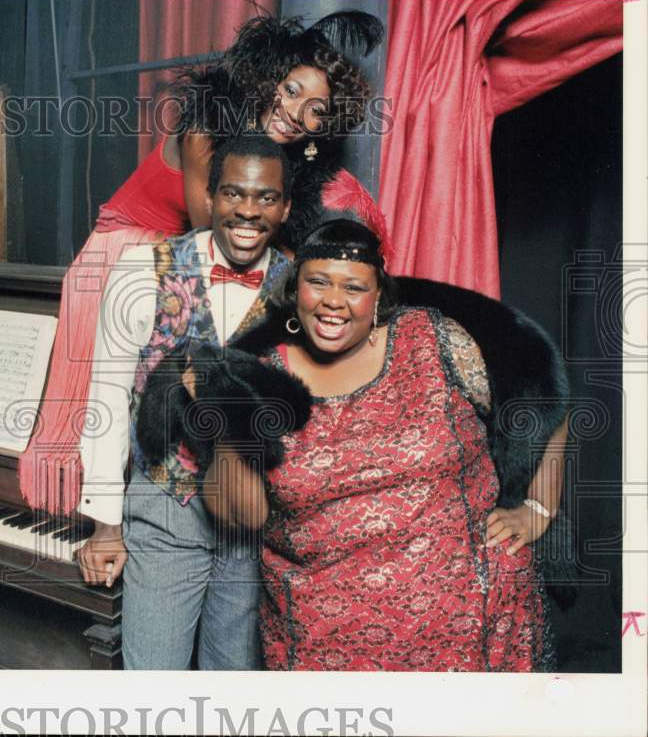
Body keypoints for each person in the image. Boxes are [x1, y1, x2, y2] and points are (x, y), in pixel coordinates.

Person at [19, 10, 390, 514]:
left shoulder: (285, 159)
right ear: (264, 80)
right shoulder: (206, 126)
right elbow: (205, 235)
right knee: (118, 396)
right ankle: (110, 516)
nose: (297, 111)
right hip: (135, 248)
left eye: (316, 109)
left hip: (211, 261)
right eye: (290, 89)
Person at [194, 219, 569, 671]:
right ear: (295, 292)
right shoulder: (261, 376)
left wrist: (539, 507)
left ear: (378, 297)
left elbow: (541, 394)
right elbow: (244, 515)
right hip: (325, 649)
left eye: (354, 287)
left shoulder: (432, 339)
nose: (334, 301)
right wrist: (227, 415)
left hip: (477, 630)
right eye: (317, 282)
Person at [75, 134, 294, 669]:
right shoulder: (139, 269)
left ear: (285, 207)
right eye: (233, 193)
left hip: (254, 521)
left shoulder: (302, 285)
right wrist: (106, 523)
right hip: (166, 510)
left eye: (265, 197)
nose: (247, 210)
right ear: (211, 197)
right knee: (154, 693)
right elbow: (105, 395)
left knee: (234, 691)